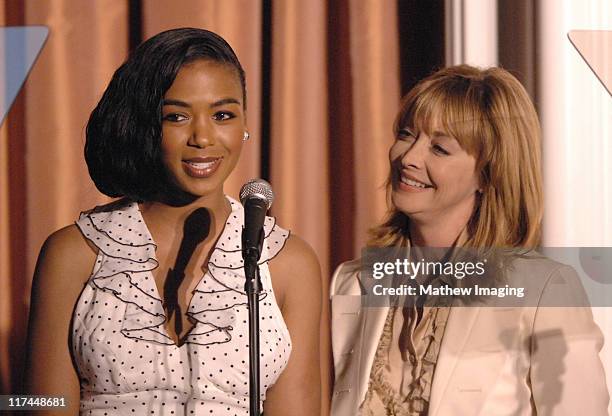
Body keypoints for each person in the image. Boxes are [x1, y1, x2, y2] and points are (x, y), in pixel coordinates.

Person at [25, 28, 322, 416]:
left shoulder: (288, 264)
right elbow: (33, 403)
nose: (202, 137)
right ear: (146, 126)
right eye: (177, 116)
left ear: (244, 125)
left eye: (222, 115)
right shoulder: (73, 252)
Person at [330, 65, 609, 415]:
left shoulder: (544, 291)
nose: (409, 158)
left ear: (488, 174)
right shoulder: (350, 282)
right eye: (405, 134)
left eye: (440, 149)